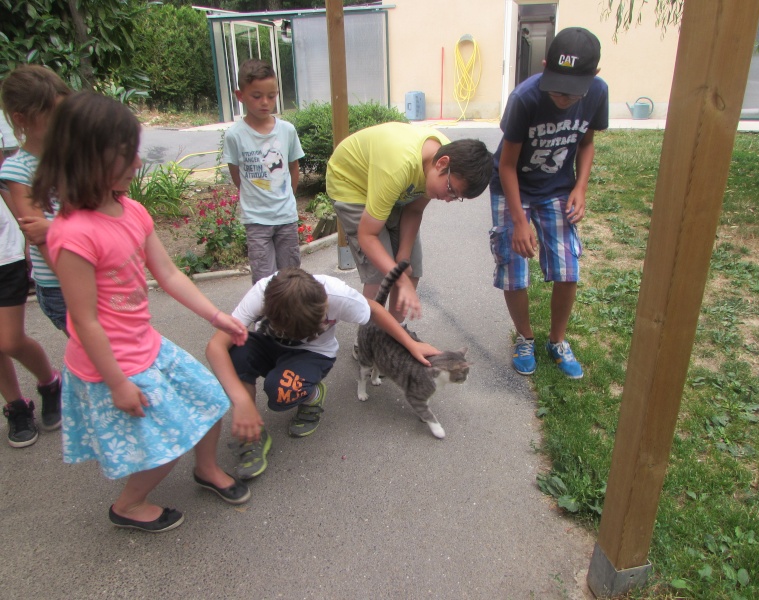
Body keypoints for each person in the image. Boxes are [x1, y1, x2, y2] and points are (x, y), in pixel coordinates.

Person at [33, 91, 251, 533]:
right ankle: (129, 505)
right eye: (126, 154)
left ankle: (206, 469)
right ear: (89, 158)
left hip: (146, 346)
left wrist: (216, 316)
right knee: (165, 442)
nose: (138, 163)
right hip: (113, 364)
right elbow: (84, 321)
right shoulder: (72, 235)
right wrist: (117, 383)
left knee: (208, 400)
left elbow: (168, 274)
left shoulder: (132, 210)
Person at [206, 267, 440, 480]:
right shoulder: (262, 295)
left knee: (281, 391)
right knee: (235, 353)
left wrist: (411, 344)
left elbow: (376, 310)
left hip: (312, 353)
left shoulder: (337, 294)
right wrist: (241, 402)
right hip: (269, 343)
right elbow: (215, 347)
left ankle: (312, 396)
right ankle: (252, 434)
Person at [489, 27, 609, 379]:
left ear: (593, 78)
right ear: (544, 66)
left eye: (572, 91)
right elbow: (507, 165)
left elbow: (586, 143)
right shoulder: (525, 98)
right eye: (556, 86)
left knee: (567, 266)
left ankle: (557, 341)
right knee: (513, 264)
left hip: (558, 188)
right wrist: (519, 221)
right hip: (512, 187)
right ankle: (525, 338)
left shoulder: (597, 93)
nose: (562, 96)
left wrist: (581, 187)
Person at [326, 121, 493, 325]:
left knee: (411, 266)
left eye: (456, 197)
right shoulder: (399, 165)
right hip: (352, 183)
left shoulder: (447, 160)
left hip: (392, 188)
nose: (448, 199)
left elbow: (413, 210)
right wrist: (399, 277)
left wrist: (403, 261)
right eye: (450, 190)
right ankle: (367, 342)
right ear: (442, 163)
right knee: (379, 273)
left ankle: (394, 337)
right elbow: (367, 236)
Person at [0, 65, 71, 335]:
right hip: (60, 283)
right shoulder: (18, 169)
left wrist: (55, 229)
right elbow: (38, 236)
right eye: (53, 116)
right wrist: (74, 285)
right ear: (22, 120)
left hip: (92, 272)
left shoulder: (73, 154)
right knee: (100, 358)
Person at [223, 59, 305, 284]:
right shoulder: (235, 135)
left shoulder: (286, 130)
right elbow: (236, 173)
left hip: (285, 217)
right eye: (256, 96)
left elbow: (293, 167)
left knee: (291, 275)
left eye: (272, 95)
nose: (265, 102)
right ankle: (266, 319)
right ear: (240, 96)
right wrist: (254, 196)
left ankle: (292, 319)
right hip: (256, 219)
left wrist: (288, 197)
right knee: (263, 279)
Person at [0, 187, 61, 447]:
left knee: (9, 341)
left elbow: (6, 185)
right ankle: (17, 406)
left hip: (5, 255)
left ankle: (50, 383)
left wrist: (27, 241)